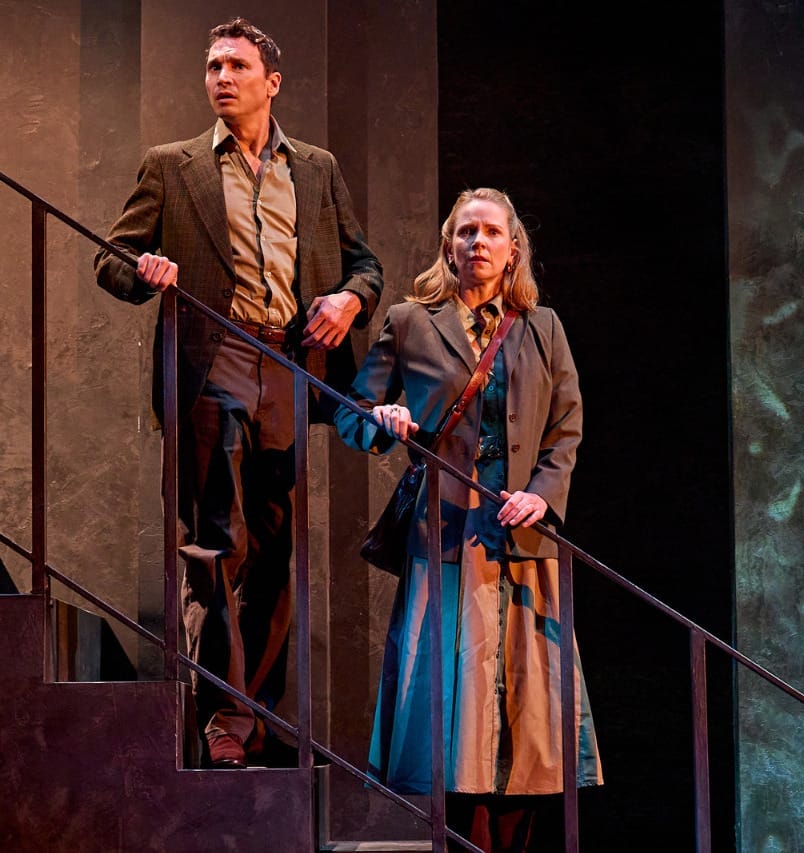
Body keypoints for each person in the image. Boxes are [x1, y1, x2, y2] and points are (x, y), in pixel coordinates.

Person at [93, 18, 383, 769]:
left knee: (275, 548)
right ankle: (222, 713)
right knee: (215, 542)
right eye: (213, 65)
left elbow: (365, 264)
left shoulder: (314, 169)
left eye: (237, 65)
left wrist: (349, 300)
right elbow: (112, 260)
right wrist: (145, 268)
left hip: (287, 363)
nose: (221, 76)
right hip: (210, 358)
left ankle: (253, 712)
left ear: (271, 82)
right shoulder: (173, 165)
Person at [334, 187, 602, 851]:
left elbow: (566, 426)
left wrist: (544, 493)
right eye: (464, 232)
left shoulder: (544, 327)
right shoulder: (409, 319)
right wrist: (382, 417)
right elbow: (350, 411)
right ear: (448, 245)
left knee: (524, 724)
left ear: (514, 249)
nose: (476, 243)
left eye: (490, 233)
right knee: (453, 724)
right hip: (445, 540)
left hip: (520, 540)